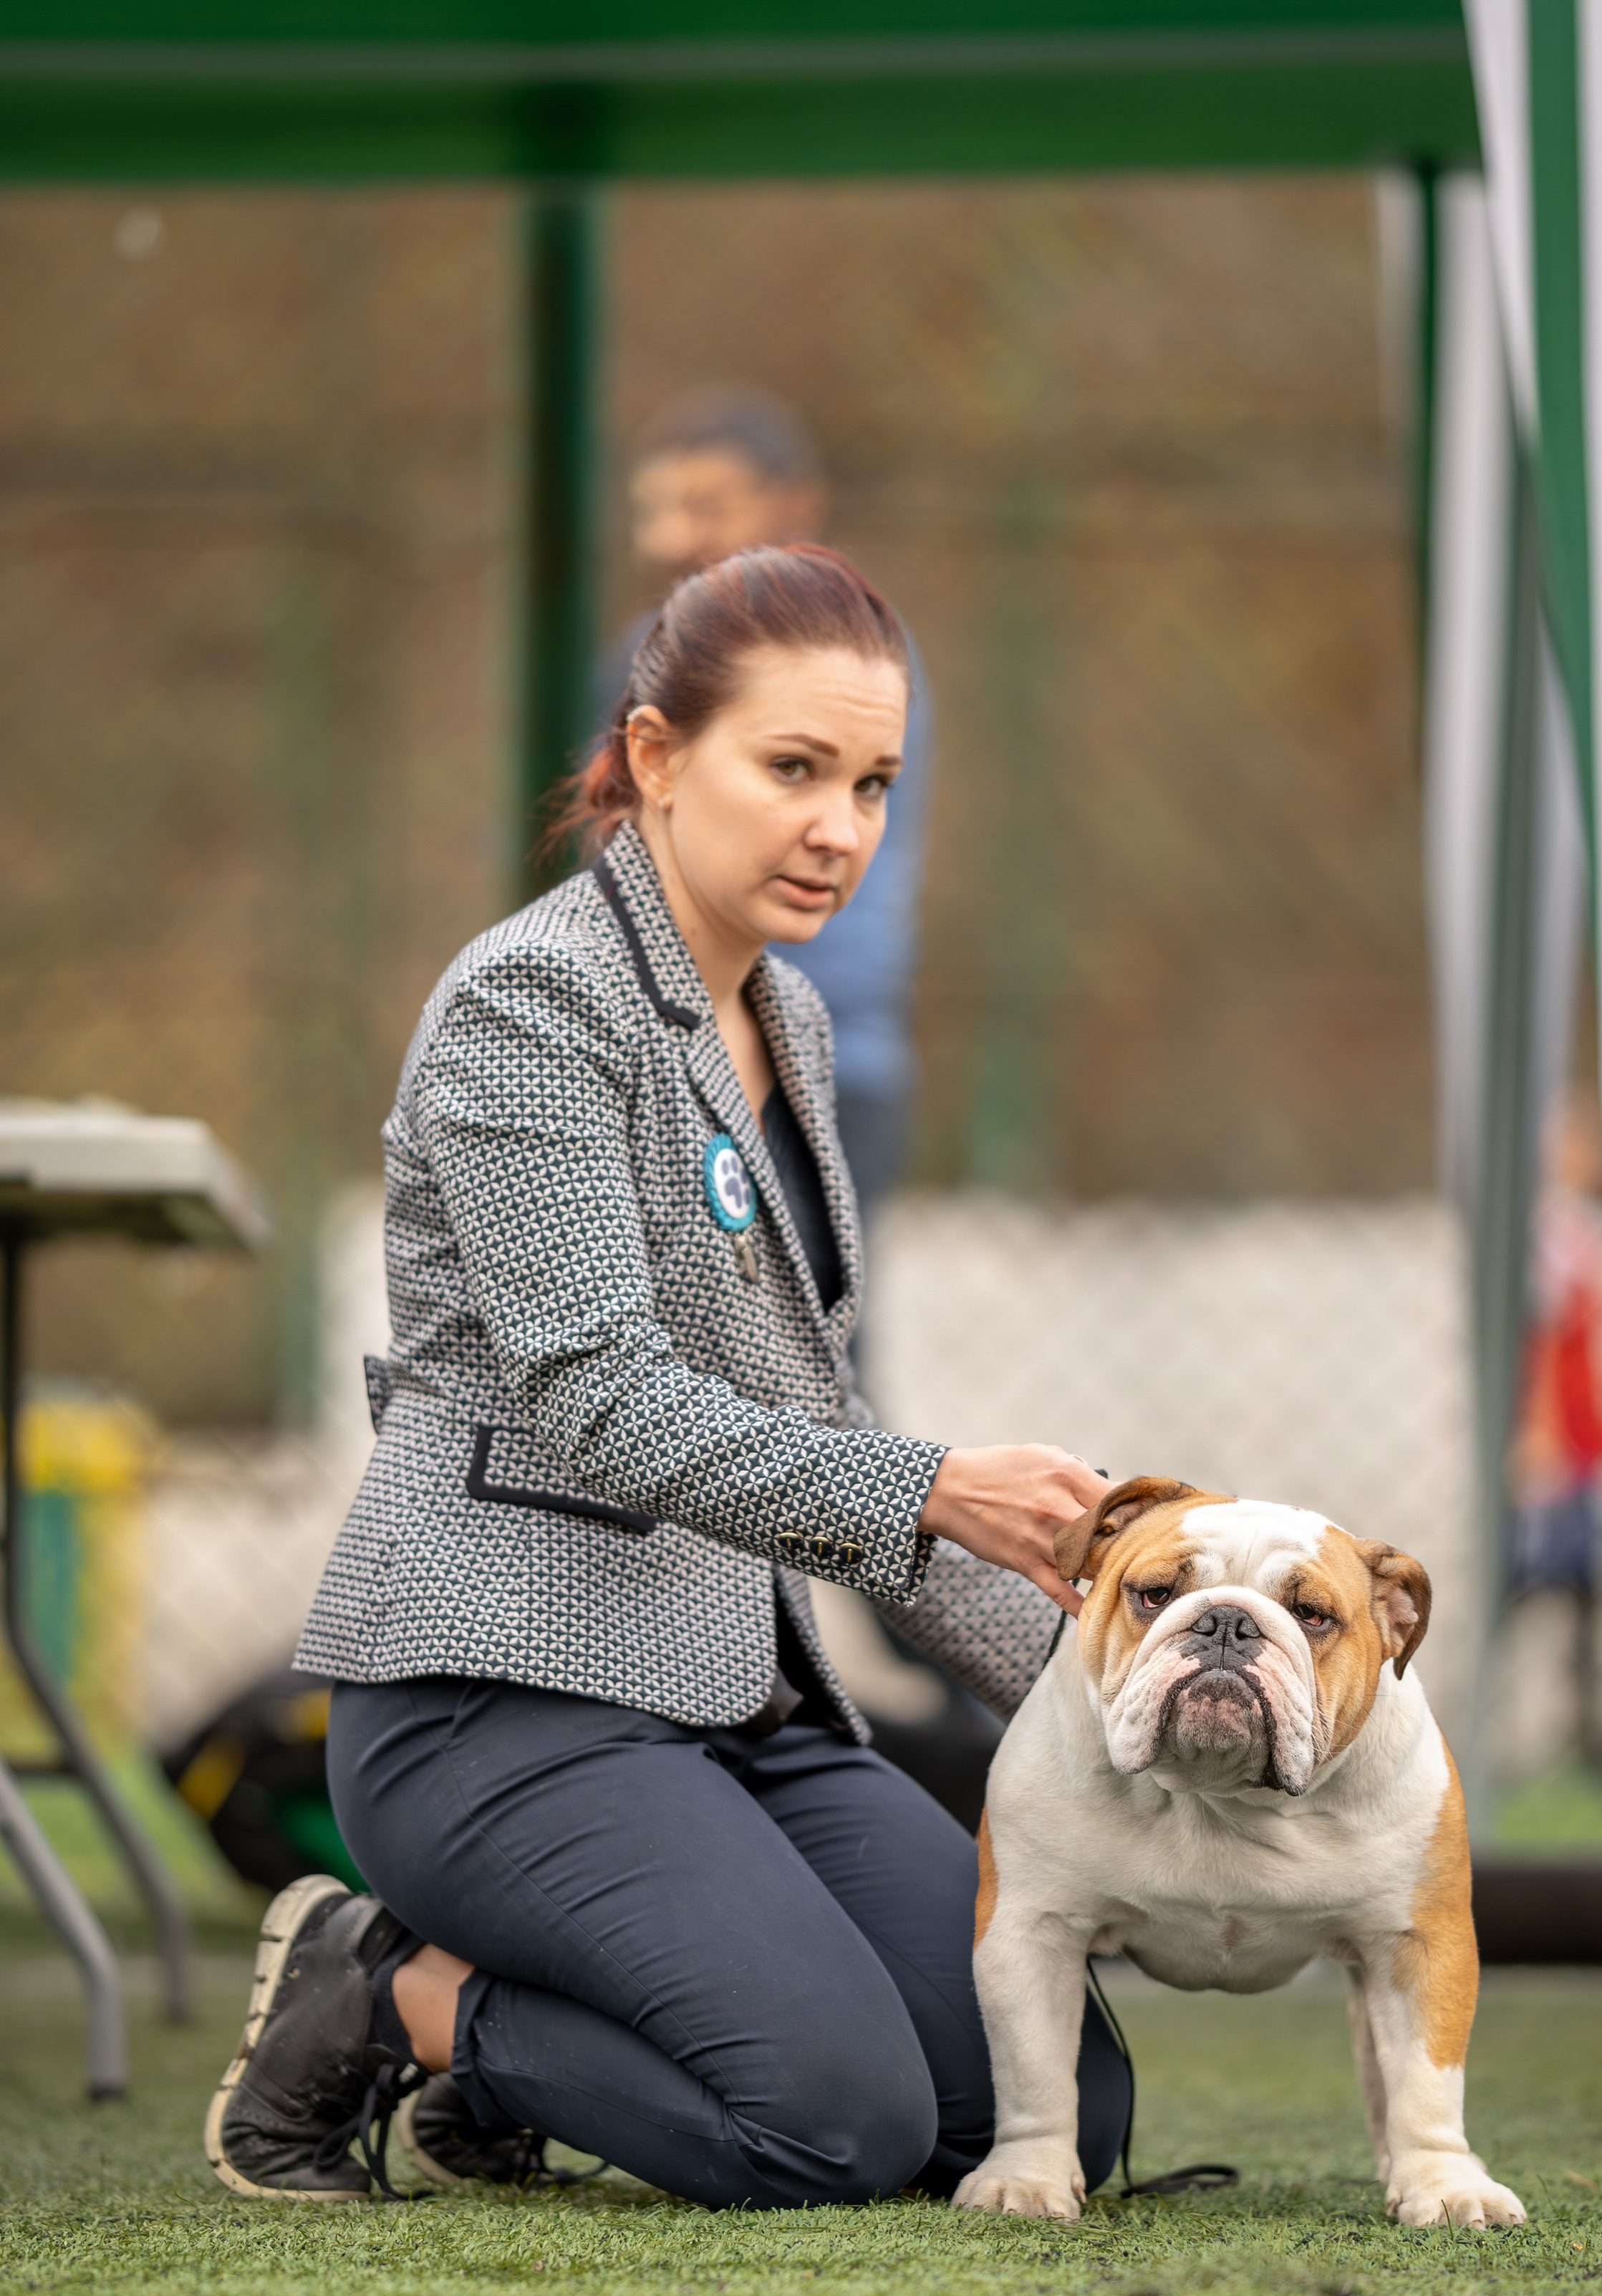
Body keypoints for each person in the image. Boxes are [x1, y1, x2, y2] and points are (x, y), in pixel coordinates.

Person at [205, 542, 1131, 2211]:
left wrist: (1111, 1676)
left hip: (730, 1708)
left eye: (870, 783)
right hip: (494, 1708)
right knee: (832, 2122)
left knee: (1051, 2106)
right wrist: (931, 1481)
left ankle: (585, 2026)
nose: (837, 826)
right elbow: (599, 1397)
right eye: (791, 769)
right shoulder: (528, 1004)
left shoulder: (787, 1018)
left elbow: (810, 1421)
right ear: (651, 757)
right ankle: (390, 1988)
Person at [599, 389, 925, 1212]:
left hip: (834, 1064)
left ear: (795, 508)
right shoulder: (640, 658)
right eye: (659, 508)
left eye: (707, 506)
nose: (675, 537)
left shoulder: (864, 669)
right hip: (669, 1051)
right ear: (651, 756)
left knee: (815, 1337)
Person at [1507, 1094, 1602, 1778]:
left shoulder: (1587, 1228)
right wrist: (1539, 1431)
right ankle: (1490, 1726)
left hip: (1588, 1445)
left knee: (1588, 1589)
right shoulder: (1547, 1235)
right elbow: (1542, 1341)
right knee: (1530, 1580)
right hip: (1556, 1449)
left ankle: (1589, 1733)